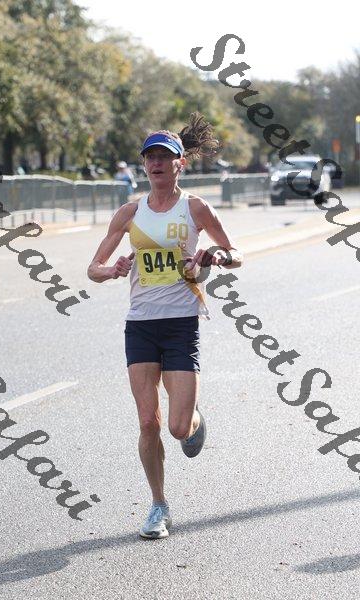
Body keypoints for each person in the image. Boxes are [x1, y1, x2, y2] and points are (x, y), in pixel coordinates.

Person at [87, 112, 243, 539]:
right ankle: (158, 506)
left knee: (177, 428)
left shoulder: (195, 208)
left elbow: (235, 253)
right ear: (144, 164)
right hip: (140, 325)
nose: (156, 163)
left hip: (180, 326)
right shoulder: (130, 212)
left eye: (164, 157)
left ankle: (193, 419)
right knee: (147, 422)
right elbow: (93, 268)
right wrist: (111, 269)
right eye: (150, 157)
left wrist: (216, 256)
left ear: (180, 163)